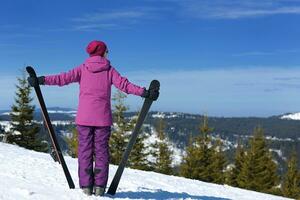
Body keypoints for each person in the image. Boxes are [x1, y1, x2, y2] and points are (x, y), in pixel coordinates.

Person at [27, 40, 159, 196]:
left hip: (84, 119)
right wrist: (144, 92)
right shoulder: (109, 70)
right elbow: (125, 85)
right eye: (107, 51)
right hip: (102, 120)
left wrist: (41, 80)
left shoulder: (82, 69)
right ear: (103, 52)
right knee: (102, 152)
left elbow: (62, 78)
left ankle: (86, 187)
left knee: (84, 151)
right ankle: (99, 188)